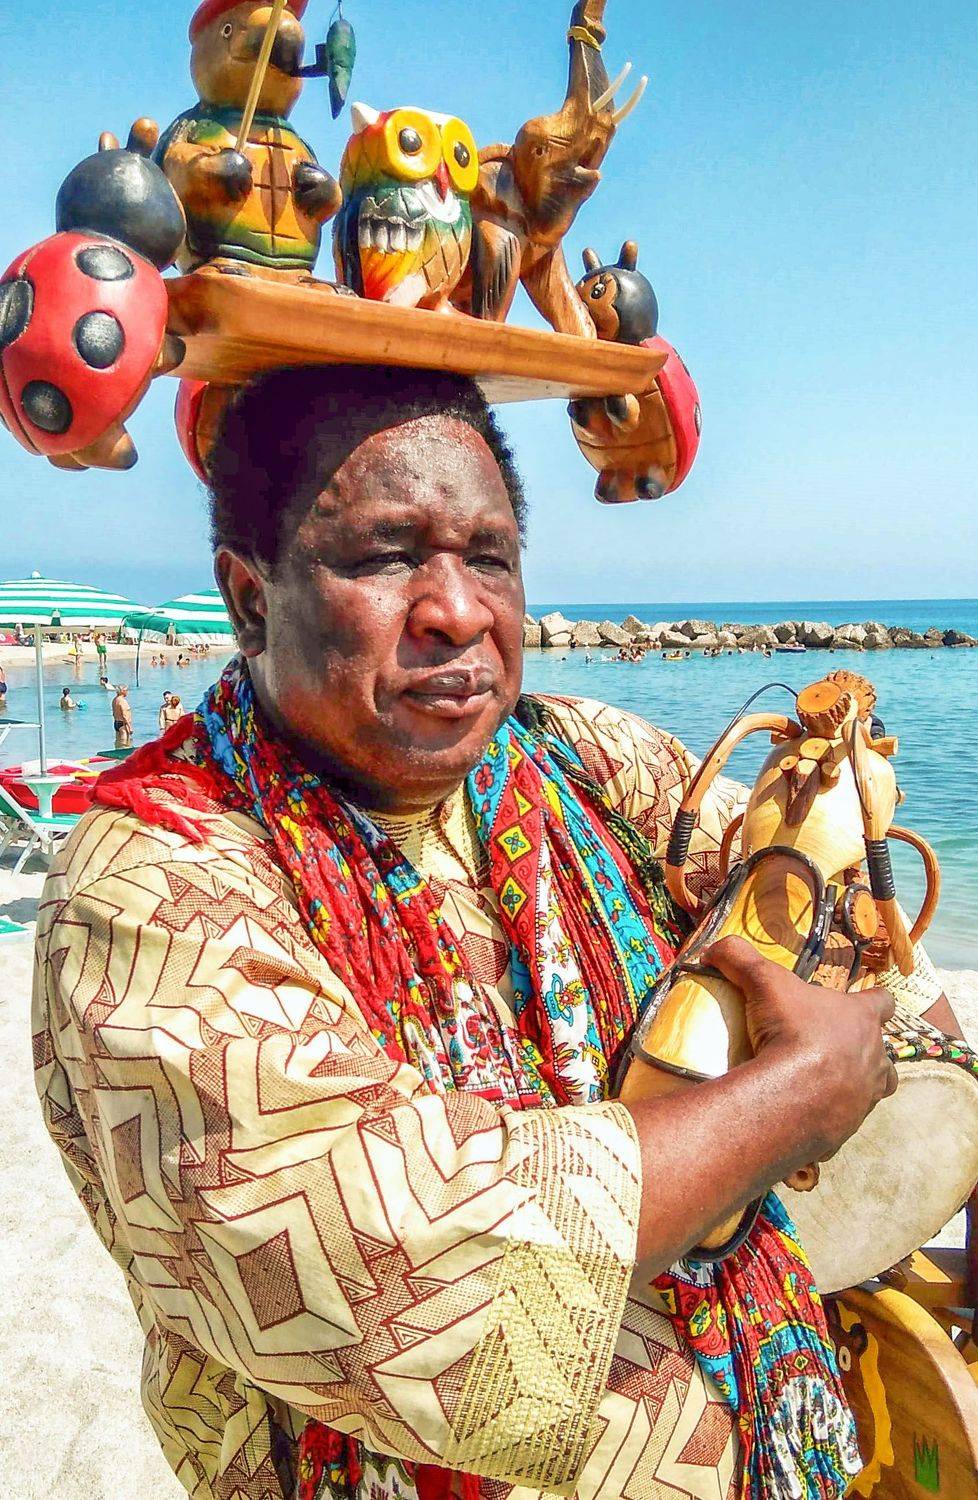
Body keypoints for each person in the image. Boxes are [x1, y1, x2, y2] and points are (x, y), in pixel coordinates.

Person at [33, 367, 957, 1500]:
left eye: (489, 557)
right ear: (249, 597)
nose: (458, 611)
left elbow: (843, 930)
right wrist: (790, 1103)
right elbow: (386, 1263)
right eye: (386, 556)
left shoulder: (593, 760)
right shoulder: (150, 885)